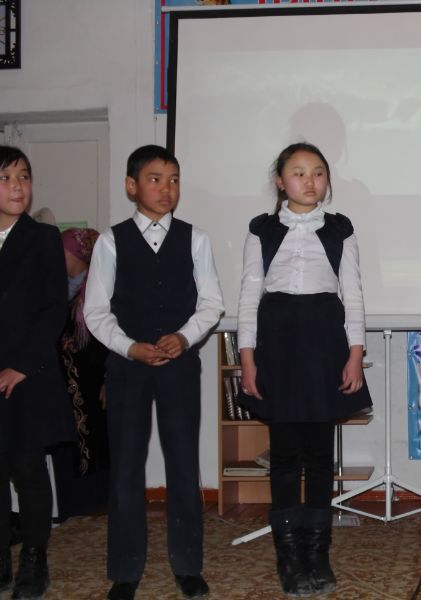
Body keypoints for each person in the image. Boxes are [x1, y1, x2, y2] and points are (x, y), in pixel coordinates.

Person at [83, 145, 224, 600]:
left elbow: (212, 303)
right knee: (126, 467)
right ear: (132, 186)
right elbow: (95, 311)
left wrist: (184, 337)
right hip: (128, 369)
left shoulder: (196, 238)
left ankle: (188, 566)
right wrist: (129, 347)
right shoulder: (111, 241)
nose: (167, 189)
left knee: (183, 463)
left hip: (179, 367)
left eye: (174, 180)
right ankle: (125, 571)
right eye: (155, 179)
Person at [236, 142, 372, 597]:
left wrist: (354, 354)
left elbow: (353, 294)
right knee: (284, 455)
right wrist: (248, 358)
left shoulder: (339, 229)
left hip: (324, 345)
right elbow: (248, 296)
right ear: (280, 181)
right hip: (277, 344)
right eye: (298, 172)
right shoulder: (261, 230)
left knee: (318, 456)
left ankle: (317, 553)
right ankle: (288, 556)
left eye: (318, 172)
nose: (309, 181)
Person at [0, 146, 74, 599]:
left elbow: (53, 309)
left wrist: (20, 366)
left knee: (27, 467)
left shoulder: (44, 238)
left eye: (24, 177)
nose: (17, 187)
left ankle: (34, 560)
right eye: (6, 178)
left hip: (29, 372)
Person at [51, 227, 111, 520]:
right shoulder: (55, 289)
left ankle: (96, 504)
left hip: (94, 382)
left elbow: (112, 338)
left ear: (78, 254)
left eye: (62, 251)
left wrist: (110, 379)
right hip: (61, 382)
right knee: (65, 441)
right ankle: (69, 506)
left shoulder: (99, 289)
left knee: (96, 439)